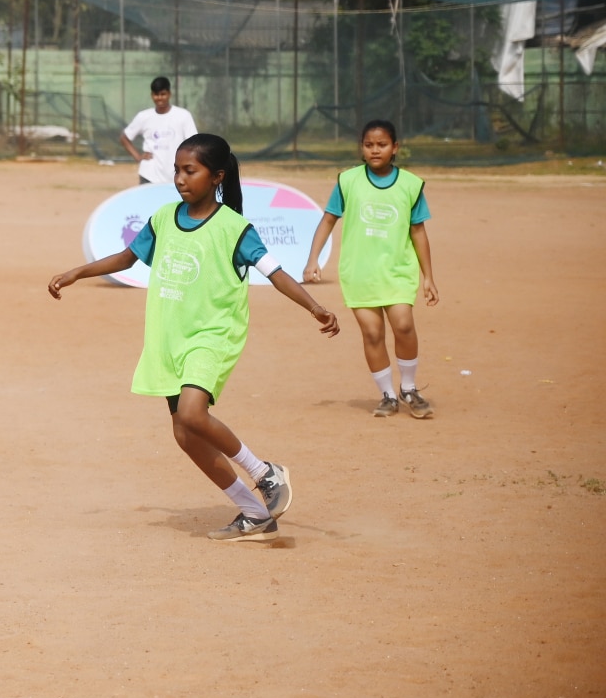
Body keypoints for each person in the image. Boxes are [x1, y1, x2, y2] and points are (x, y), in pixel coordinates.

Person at [48, 133, 340, 542]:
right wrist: (77, 271)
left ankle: (264, 472)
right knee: (185, 435)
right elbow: (128, 257)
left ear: (216, 176)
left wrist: (315, 307)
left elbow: (275, 273)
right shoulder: (164, 218)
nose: (180, 179)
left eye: (191, 170)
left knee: (191, 414)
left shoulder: (235, 228)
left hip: (213, 334)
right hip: (169, 340)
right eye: (177, 171)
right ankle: (255, 513)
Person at [302, 120, 440, 419]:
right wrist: (313, 259)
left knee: (403, 324)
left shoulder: (410, 185)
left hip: (398, 271)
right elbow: (328, 220)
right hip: (359, 273)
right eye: (369, 145)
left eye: (382, 144)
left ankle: (409, 388)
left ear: (395, 148)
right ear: (362, 148)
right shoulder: (348, 181)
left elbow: (418, 232)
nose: (375, 150)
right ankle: (388, 395)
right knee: (373, 333)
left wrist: (428, 276)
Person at [118, 77, 198, 185]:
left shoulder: (183, 116)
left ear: (169, 94)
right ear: (152, 95)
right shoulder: (144, 116)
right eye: (156, 94)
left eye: (163, 94)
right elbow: (124, 138)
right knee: (148, 202)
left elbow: (194, 143)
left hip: (175, 175)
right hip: (149, 176)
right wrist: (138, 157)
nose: (159, 98)